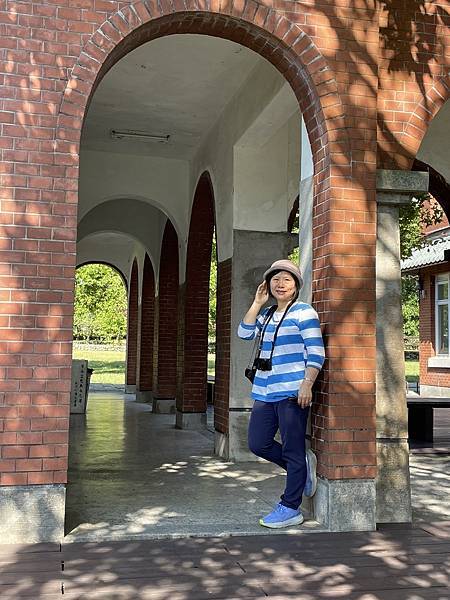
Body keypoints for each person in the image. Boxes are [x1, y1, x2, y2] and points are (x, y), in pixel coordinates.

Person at [238, 259, 325, 528]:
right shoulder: (266, 315)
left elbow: (316, 352)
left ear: (296, 285)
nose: (280, 284)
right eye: (276, 279)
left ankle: (290, 507)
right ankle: (299, 470)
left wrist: (307, 384)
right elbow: (243, 333)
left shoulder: (304, 312)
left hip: (291, 393)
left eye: (287, 279)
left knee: (292, 447)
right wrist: (257, 303)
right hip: (264, 390)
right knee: (258, 443)